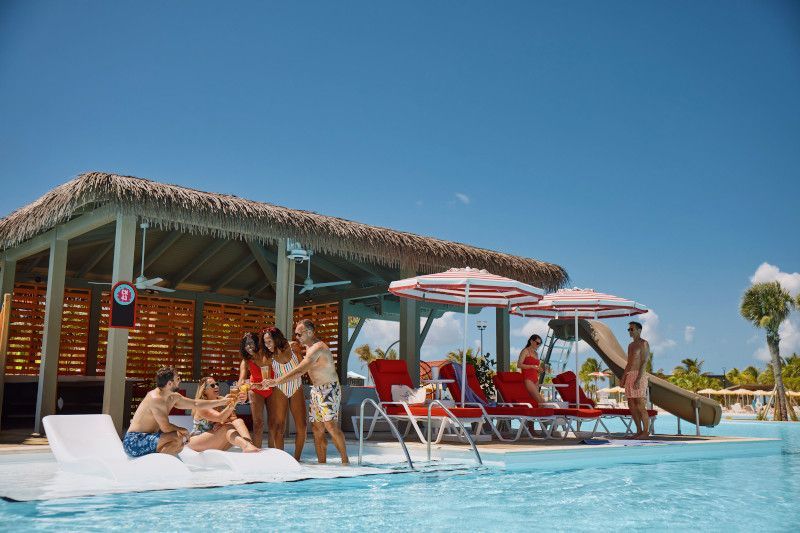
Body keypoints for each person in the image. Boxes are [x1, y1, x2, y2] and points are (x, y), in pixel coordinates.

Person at [264, 319, 349, 465]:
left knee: (330, 426)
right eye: (295, 334)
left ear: (309, 332)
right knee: (317, 428)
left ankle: (345, 462)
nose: (296, 337)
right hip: (316, 390)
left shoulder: (318, 348)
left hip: (329, 389)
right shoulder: (307, 348)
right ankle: (322, 463)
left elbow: (301, 370)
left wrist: (277, 381)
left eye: (299, 334)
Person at [123, 366, 231, 458]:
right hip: (134, 441)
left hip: (151, 437)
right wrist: (183, 430)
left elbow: (196, 404)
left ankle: (162, 465)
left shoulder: (172, 397)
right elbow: (165, 427)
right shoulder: (156, 399)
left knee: (179, 442)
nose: (180, 381)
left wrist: (221, 402)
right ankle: (160, 467)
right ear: (170, 383)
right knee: (177, 437)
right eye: (178, 378)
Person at [262, 326, 307, 461]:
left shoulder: (293, 347)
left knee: (302, 426)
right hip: (280, 389)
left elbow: (303, 367)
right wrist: (265, 382)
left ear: (276, 339)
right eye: (265, 342)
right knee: (278, 426)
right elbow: (267, 377)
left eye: (269, 341)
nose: (267, 345)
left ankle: (297, 459)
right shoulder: (269, 357)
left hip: (296, 387)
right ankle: (283, 460)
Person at [187, 376, 260, 453]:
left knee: (239, 421)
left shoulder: (221, 399)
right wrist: (233, 403)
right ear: (204, 390)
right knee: (227, 427)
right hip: (197, 441)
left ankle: (249, 444)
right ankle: (246, 446)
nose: (216, 386)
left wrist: (221, 422)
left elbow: (234, 418)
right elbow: (220, 417)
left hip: (213, 439)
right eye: (212, 385)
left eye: (217, 384)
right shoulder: (201, 405)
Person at [237, 331, 274, 448]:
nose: (248, 347)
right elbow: (241, 381)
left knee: (274, 423)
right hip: (256, 390)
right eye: (246, 344)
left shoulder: (267, 355)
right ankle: (256, 451)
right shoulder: (246, 361)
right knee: (258, 423)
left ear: (257, 343)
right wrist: (244, 387)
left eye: (251, 343)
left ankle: (273, 452)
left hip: (273, 388)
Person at [623, 321, 651, 439]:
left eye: (632, 329)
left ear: (639, 330)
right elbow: (629, 363)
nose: (630, 331)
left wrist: (639, 378)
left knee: (640, 404)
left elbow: (644, 362)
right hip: (630, 375)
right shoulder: (630, 345)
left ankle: (645, 432)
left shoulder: (644, 343)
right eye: (629, 329)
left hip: (639, 375)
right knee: (631, 404)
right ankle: (639, 431)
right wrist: (624, 377)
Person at [518, 334, 547, 405]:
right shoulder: (525, 351)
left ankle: (539, 416)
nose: (538, 345)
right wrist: (532, 366)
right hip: (528, 379)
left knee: (537, 403)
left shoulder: (536, 354)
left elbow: (536, 369)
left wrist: (540, 369)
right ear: (531, 341)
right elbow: (519, 365)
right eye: (537, 343)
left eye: (540, 344)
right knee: (542, 402)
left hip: (535, 379)